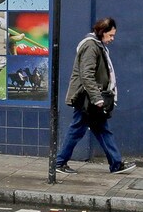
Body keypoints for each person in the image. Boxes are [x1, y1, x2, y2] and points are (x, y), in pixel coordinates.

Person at [57, 16, 135, 175]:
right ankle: (59, 162)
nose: (112, 38)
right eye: (110, 35)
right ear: (102, 32)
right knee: (78, 129)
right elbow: (86, 75)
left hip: (91, 98)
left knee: (100, 129)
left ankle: (116, 163)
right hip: (86, 98)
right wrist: (97, 98)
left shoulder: (97, 46)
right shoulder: (91, 47)